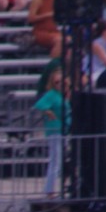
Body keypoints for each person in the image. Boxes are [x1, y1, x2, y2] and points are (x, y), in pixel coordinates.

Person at [33, 69, 67, 198]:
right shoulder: (52, 94)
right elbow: (39, 104)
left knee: (59, 160)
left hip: (63, 129)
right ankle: (49, 190)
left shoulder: (62, 95)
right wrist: (48, 111)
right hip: (54, 130)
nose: (60, 84)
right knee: (55, 160)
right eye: (57, 82)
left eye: (62, 81)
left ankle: (53, 188)